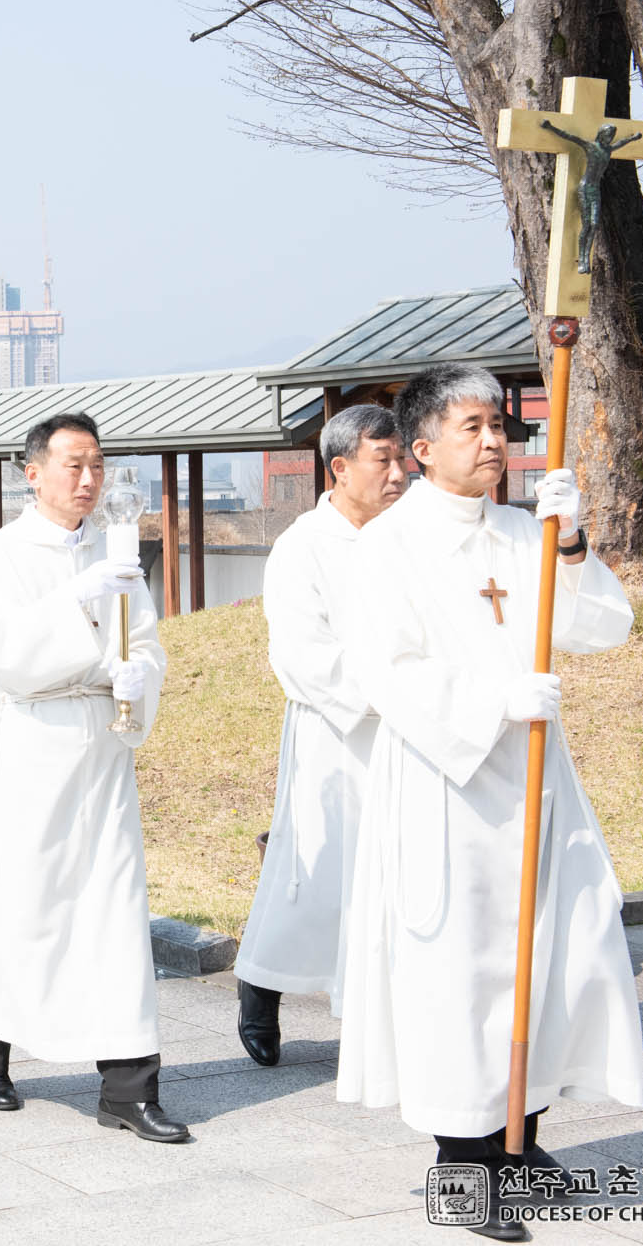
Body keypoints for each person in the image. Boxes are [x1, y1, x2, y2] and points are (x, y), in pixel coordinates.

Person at [337, 364, 643, 1223]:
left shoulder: (522, 529)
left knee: (555, 953)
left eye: (498, 424)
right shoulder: (389, 546)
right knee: (462, 971)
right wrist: (491, 702)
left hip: (537, 780)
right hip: (450, 783)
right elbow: (383, 672)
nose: (493, 440)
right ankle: (462, 1162)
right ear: (423, 446)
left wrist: (573, 540)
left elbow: (604, 627)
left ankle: (522, 1128)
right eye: (471, 427)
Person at [0, 412, 182, 1142]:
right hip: (33, 742)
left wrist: (139, 669)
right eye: (73, 465)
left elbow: (143, 639)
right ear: (33, 471)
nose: (88, 480)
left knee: (115, 912)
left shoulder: (115, 549)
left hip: (100, 749)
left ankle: (129, 1083)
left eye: (97, 467)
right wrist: (75, 599)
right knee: (23, 904)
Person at [233, 406, 409, 1067]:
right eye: (382, 461)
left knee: (393, 871)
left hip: (411, 729)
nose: (398, 474)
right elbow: (301, 652)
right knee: (315, 874)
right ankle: (260, 981)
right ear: (339, 467)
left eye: (402, 460)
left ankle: (385, 1008)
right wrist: (384, 693)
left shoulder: (410, 536)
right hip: (335, 733)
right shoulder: (303, 546)